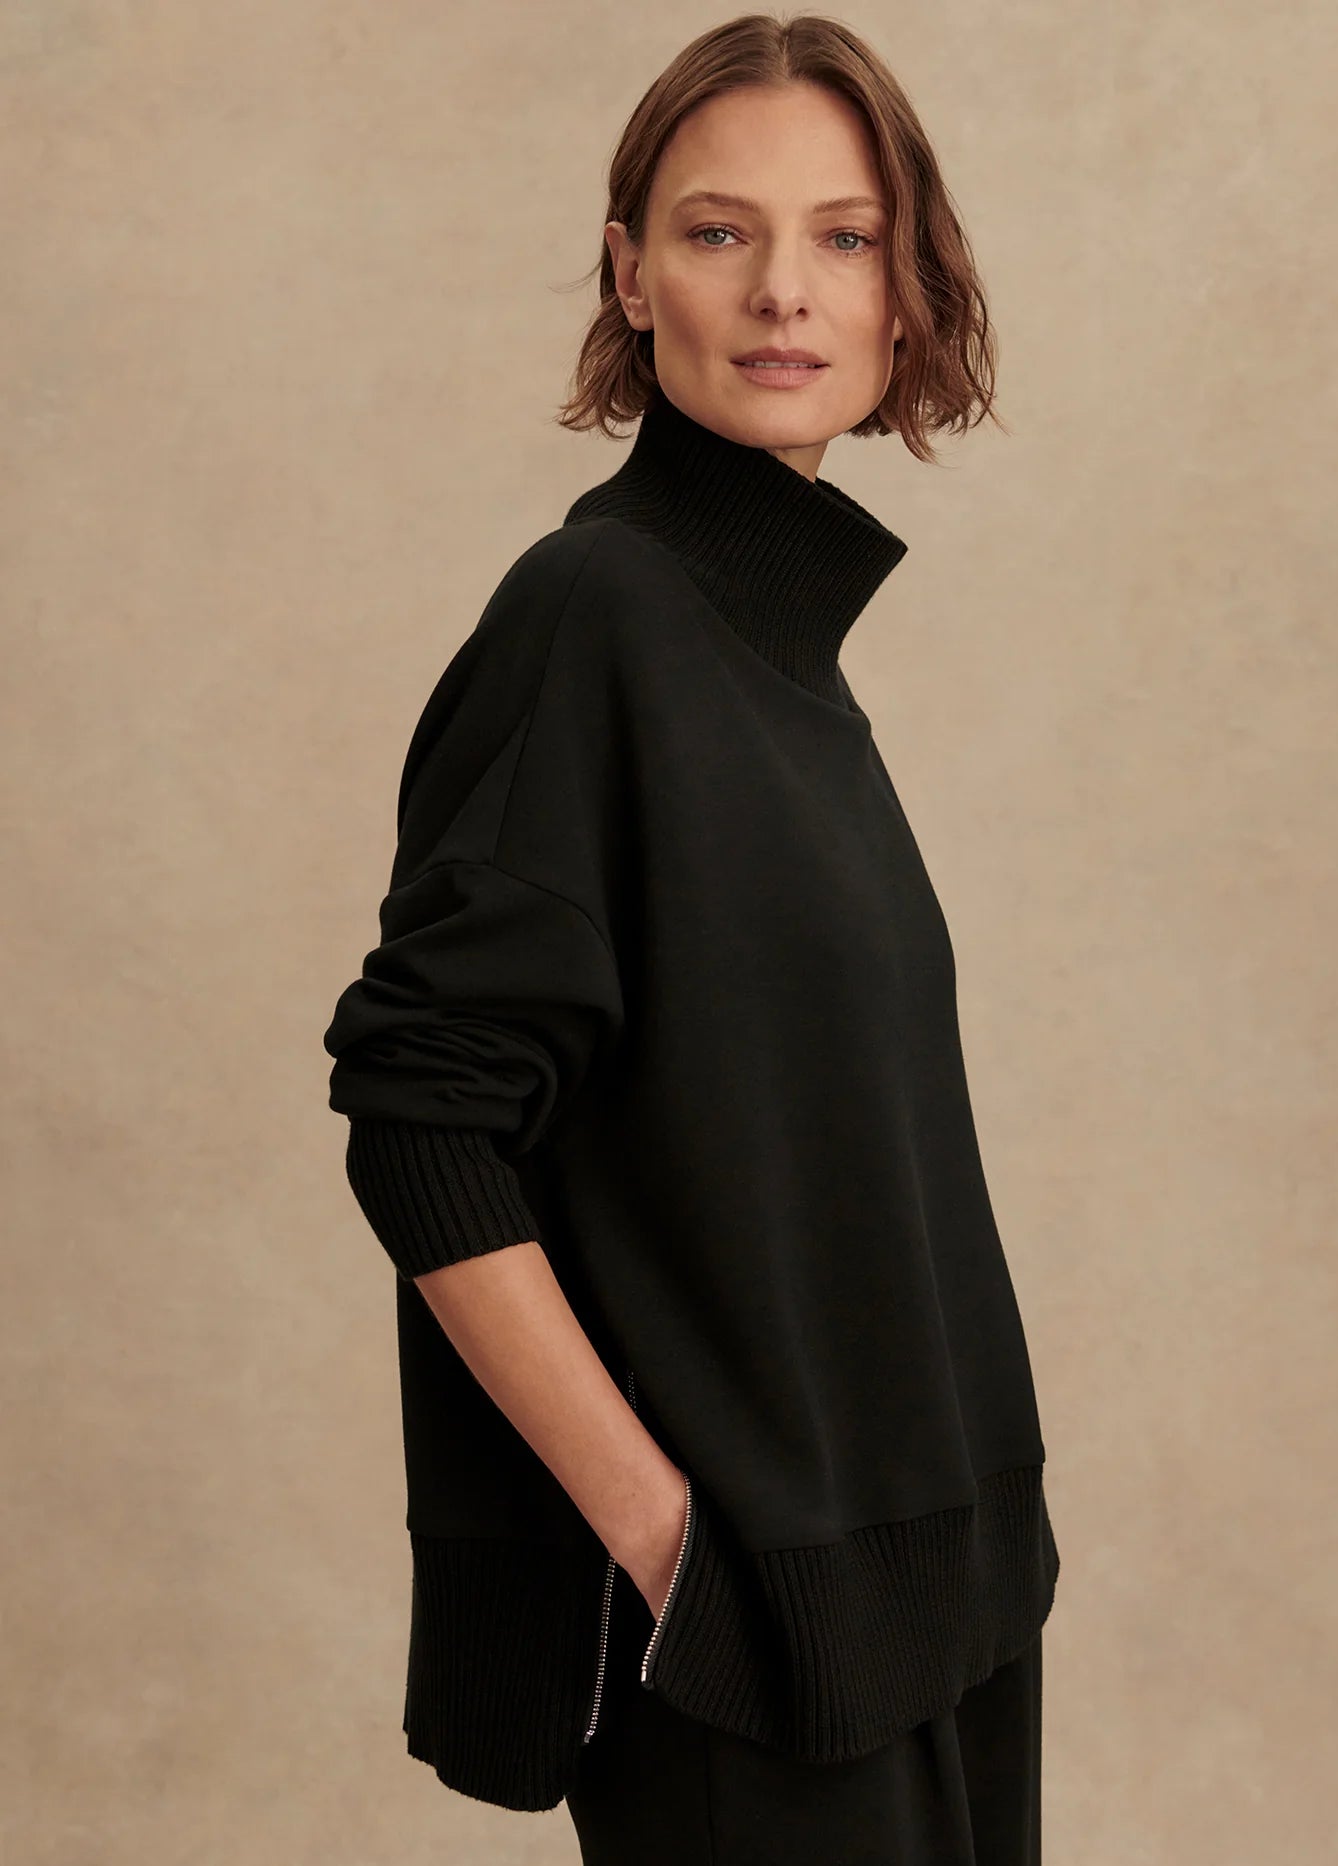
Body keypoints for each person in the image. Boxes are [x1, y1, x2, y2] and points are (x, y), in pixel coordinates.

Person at [322, 14, 1060, 1863]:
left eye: (845, 236)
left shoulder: (778, 657)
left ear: (907, 287)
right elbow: (424, 1122)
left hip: (935, 1603)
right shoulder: (598, 616)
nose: (785, 290)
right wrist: (670, 1552)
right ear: (631, 275)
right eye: (721, 231)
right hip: (757, 1640)